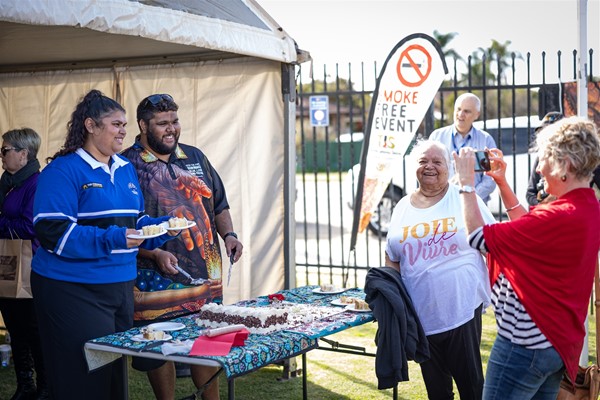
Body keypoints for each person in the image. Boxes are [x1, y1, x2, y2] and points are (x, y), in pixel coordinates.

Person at [30, 90, 177, 400]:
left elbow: (134, 222)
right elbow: (53, 233)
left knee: (111, 378)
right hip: (72, 289)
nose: (123, 131)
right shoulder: (62, 171)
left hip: (119, 287)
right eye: (115, 124)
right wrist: (114, 238)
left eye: (125, 124)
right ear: (90, 126)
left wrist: (163, 228)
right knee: (82, 379)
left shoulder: (124, 168)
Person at [453, 116, 600, 399]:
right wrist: (502, 183)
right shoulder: (586, 206)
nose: (539, 168)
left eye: (544, 159)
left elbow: (478, 238)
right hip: (555, 344)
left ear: (565, 166)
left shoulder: (560, 216)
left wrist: (466, 184)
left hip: (524, 346)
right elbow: (530, 225)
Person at [122, 93, 243, 400]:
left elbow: (219, 204)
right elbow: (120, 228)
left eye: (175, 121)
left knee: (207, 339)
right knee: (157, 346)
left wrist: (229, 235)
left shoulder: (195, 157)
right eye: (162, 123)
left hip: (206, 278)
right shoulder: (126, 165)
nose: (171, 129)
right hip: (154, 278)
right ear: (143, 125)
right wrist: (152, 253)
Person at [384, 140, 496, 400]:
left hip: (462, 309)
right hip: (422, 315)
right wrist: (392, 297)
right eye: (423, 161)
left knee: (472, 386)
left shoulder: (464, 198)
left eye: (437, 161)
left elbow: (491, 244)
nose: (429, 167)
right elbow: (392, 256)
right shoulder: (402, 207)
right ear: (415, 167)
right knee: (437, 391)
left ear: (449, 167)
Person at [0, 128, 48, 400]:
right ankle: (25, 386)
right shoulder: (10, 183)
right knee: (15, 330)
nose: (2, 155)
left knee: (33, 331)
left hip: (30, 266)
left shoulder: (36, 184)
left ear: (23, 153)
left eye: (5, 150)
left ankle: (45, 387)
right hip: (9, 263)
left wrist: (0, 223)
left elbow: (31, 226)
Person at [429, 92, 497, 203]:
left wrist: (469, 194)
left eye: (467, 111)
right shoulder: (437, 137)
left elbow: (491, 178)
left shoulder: (486, 140)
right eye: (458, 109)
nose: (461, 114)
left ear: (477, 115)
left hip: (476, 204)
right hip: (443, 202)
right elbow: (430, 170)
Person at [525, 111, 564, 207]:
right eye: (543, 132)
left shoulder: (576, 159)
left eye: (550, 132)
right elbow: (530, 193)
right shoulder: (540, 157)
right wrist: (542, 204)